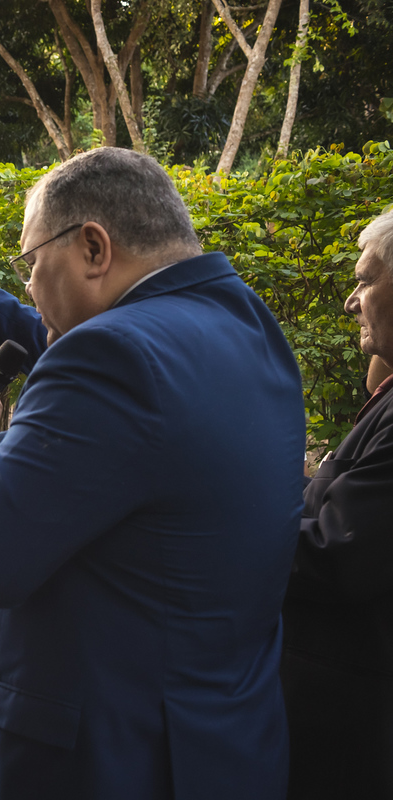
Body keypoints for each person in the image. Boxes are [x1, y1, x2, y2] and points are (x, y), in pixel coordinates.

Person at [0, 148, 306, 799]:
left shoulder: (113, 355)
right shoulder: (245, 326)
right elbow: (75, 336)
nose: (31, 287)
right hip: (216, 743)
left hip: (103, 761)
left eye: (31, 263)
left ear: (93, 247)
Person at [282, 208, 393, 798]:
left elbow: (337, 552)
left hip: (352, 733)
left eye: (366, 280)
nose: (352, 302)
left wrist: (223, 518)